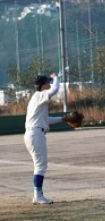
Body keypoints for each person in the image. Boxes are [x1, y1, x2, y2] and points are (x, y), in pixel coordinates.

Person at [24, 73, 61, 204]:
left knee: (40, 165)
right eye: (47, 82)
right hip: (35, 134)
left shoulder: (37, 99)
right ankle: (38, 196)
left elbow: (46, 120)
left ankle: (38, 195)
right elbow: (55, 89)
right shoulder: (39, 95)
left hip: (34, 133)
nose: (49, 84)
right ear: (43, 85)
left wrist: (63, 118)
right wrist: (56, 78)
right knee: (40, 165)